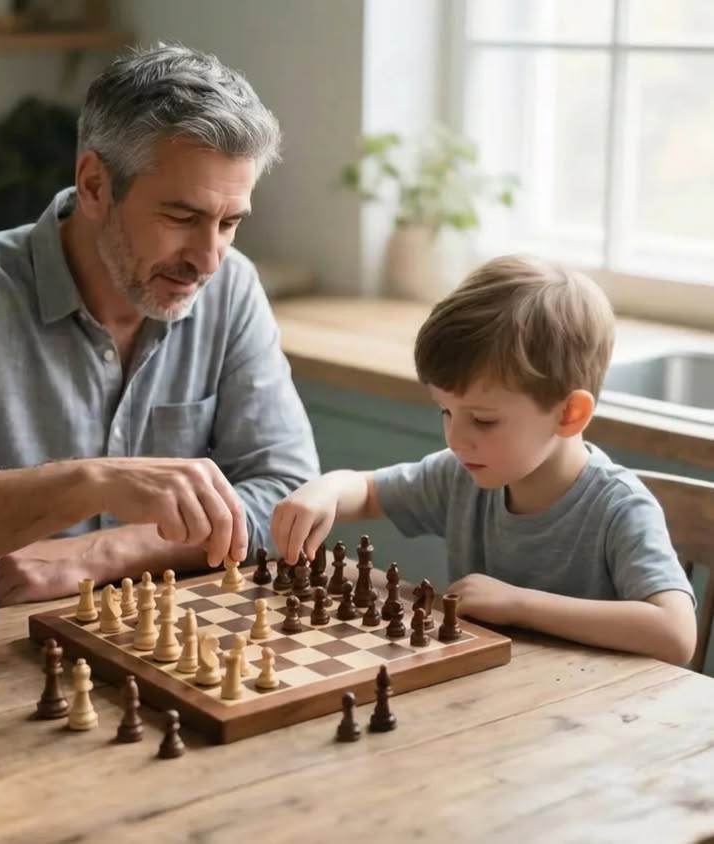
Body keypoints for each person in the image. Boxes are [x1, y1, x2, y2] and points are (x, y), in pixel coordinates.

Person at [0, 44, 319, 606]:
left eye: (229, 223)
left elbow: (290, 499)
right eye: (182, 217)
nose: (209, 258)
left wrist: (102, 554)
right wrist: (91, 482)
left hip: (173, 643)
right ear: (95, 185)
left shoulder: (232, 287)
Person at [271, 255, 697, 665]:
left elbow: (676, 634)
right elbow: (366, 492)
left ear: (569, 414)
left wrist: (518, 604)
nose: (456, 438)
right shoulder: (460, 477)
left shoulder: (619, 508)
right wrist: (325, 489)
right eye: (446, 411)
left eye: (483, 420)